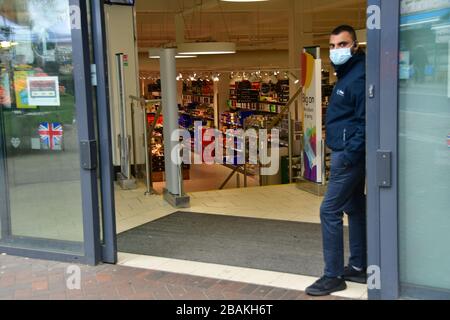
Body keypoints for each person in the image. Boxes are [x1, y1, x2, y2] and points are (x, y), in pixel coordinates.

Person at [306, 25, 367, 296]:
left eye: (342, 45)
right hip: (344, 151)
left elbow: (366, 121)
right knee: (354, 207)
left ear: (355, 46)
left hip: (348, 155)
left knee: (328, 210)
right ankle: (359, 265)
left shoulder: (359, 75)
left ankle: (333, 276)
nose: (336, 51)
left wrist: (350, 153)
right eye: (332, 46)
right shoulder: (347, 74)